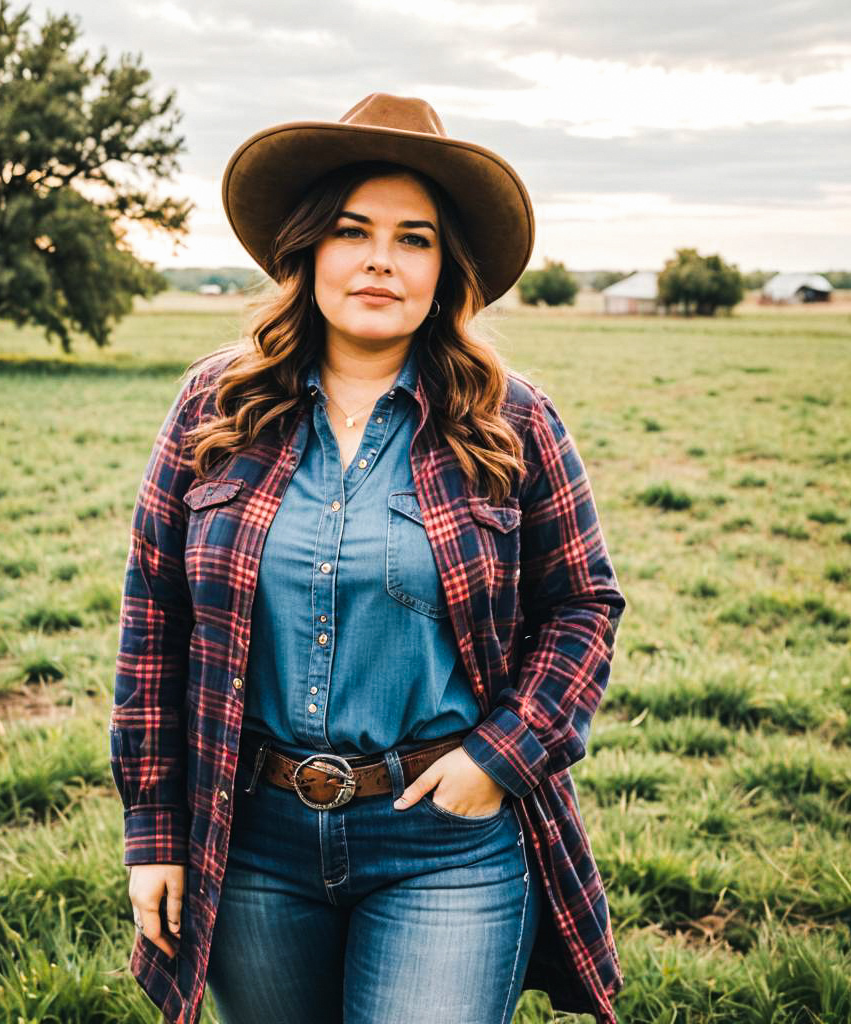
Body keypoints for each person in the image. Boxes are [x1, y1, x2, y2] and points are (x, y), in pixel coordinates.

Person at [110, 93, 627, 1024]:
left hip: (443, 840)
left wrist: (497, 758)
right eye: (353, 230)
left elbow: (582, 606)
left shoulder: (514, 423)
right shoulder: (213, 410)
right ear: (309, 250)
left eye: (414, 238)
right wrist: (154, 831)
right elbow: (155, 622)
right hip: (252, 836)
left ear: (446, 268)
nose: (381, 258)